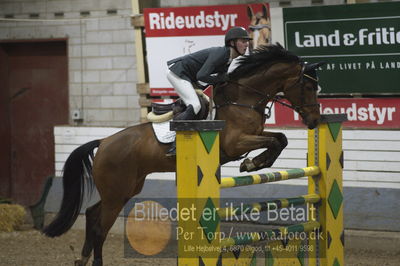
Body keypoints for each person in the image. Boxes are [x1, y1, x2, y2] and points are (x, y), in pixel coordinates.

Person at [166, 26, 251, 156]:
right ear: (232, 43)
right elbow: (202, 75)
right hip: (178, 72)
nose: (246, 44)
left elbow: (219, 81)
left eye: (247, 41)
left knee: (204, 104)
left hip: (190, 76)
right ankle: (174, 142)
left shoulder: (229, 58)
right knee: (195, 105)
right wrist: (221, 78)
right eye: (243, 41)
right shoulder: (221, 54)